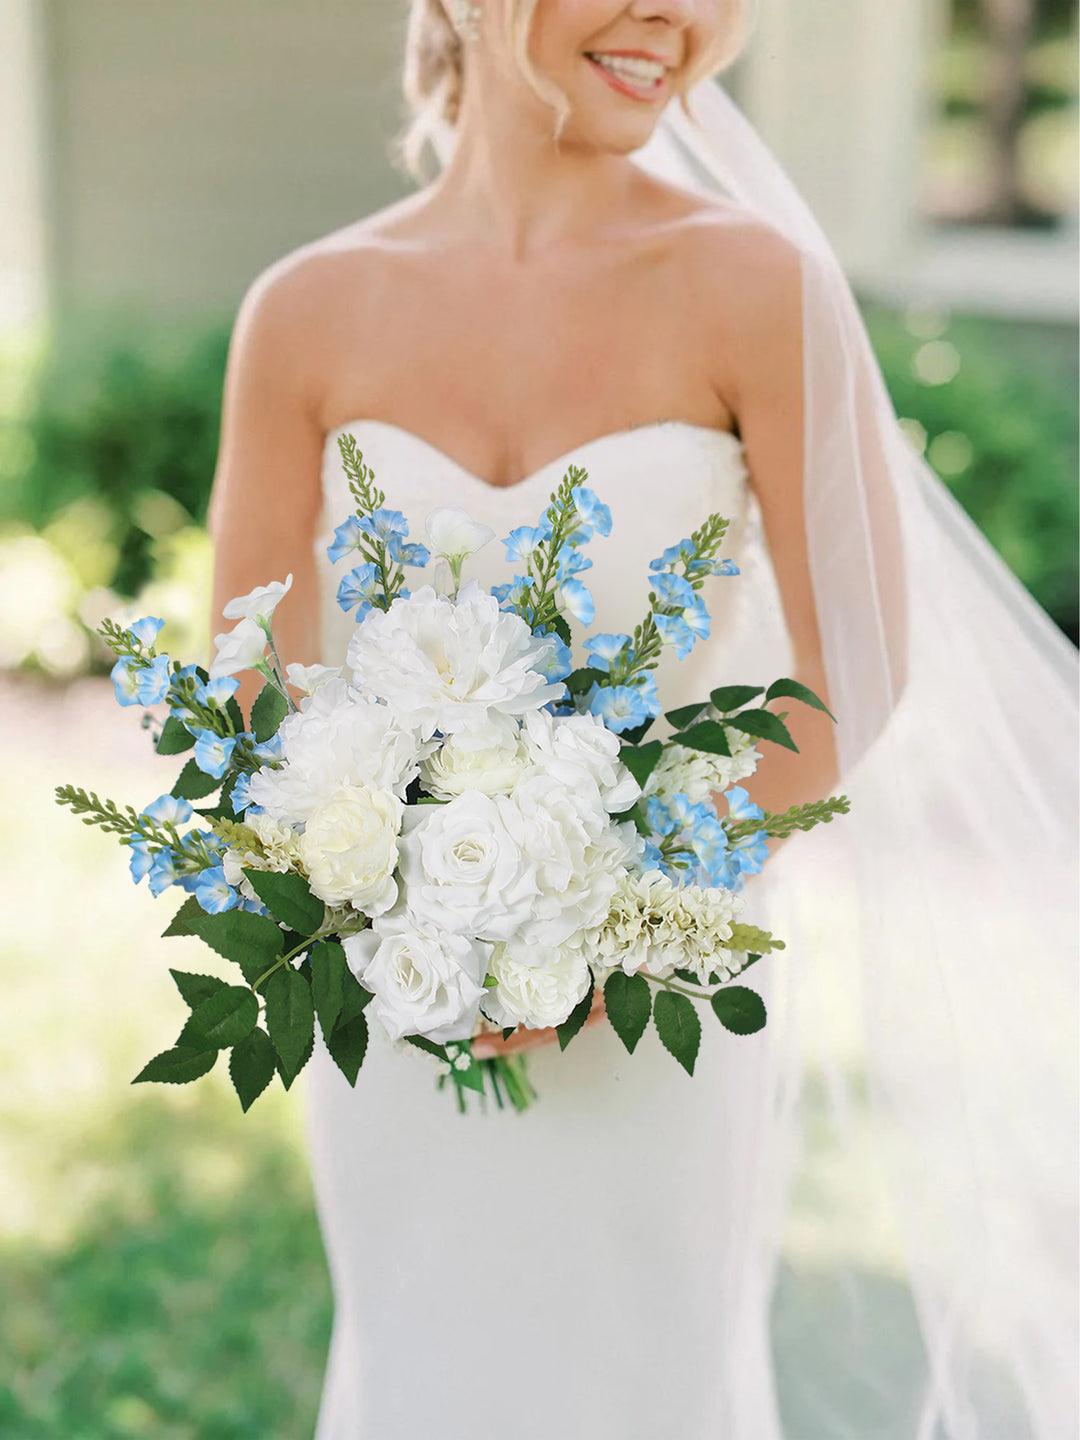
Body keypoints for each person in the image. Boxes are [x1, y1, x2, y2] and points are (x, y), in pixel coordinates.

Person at [208, 3, 1078, 1437]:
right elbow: (248, 691)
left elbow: (857, 664)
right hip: (398, 1005)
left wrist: (617, 928)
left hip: (658, 1005)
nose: (679, 16)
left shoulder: (759, 288)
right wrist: (381, 910)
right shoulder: (304, 309)